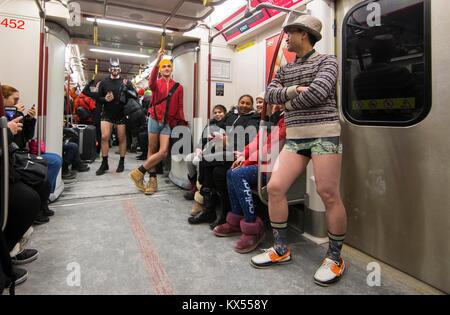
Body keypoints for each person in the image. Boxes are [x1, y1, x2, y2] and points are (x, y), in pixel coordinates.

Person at [250, 15, 347, 286]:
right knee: (275, 188)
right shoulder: (285, 69)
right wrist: (293, 90)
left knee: (328, 193)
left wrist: (288, 103)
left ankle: (335, 257)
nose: (286, 39)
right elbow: (270, 94)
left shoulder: (328, 61)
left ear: (303, 34)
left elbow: (319, 92)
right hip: (295, 138)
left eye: (289, 33)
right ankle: (281, 249)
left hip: (324, 133)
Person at [214, 104, 286, 253]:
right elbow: (257, 142)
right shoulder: (270, 119)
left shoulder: (285, 120)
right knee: (231, 172)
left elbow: (271, 148)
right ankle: (236, 219)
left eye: (279, 101)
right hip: (262, 162)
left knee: (238, 174)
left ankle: (252, 226)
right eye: (274, 102)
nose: (275, 105)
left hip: (275, 166)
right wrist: (243, 154)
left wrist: (247, 161)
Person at [189, 95, 259, 228]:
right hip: (223, 150)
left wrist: (226, 140)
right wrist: (211, 132)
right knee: (211, 166)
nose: (244, 105)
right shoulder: (231, 115)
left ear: (252, 105)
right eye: (242, 102)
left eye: (248, 103)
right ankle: (210, 210)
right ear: (238, 103)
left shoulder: (253, 119)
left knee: (215, 169)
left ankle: (221, 212)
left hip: (236, 152)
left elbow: (247, 140)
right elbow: (217, 124)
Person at [129, 49, 185, 195]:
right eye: (164, 66)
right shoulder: (156, 84)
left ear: (172, 69)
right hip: (154, 119)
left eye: (169, 66)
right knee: (152, 150)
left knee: (163, 152)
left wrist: (181, 122)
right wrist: (158, 60)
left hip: (168, 123)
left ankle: (138, 172)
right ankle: (152, 181)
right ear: (161, 69)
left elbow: (179, 107)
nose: (166, 68)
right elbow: (152, 80)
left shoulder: (178, 87)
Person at [184, 104, 227, 201]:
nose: (217, 114)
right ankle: (194, 186)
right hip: (204, 150)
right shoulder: (210, 124)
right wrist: (198, 149)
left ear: (225, 113)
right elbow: (202, 140)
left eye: (220, 112)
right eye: (215, 113)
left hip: (216, 153)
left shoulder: (228, 125)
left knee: (200, 162)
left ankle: (201, 188)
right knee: (189, 159)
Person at [96, 58, 128, 175]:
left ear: (119, 69)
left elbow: (132, 96)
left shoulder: (125, 82)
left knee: (121, 138)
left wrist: (127, 92)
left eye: (117, 68)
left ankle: (122, 162)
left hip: (120, 113)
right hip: (107, 113)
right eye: (113, 68)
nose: (115, 70)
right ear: (110, 69)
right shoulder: (104, 82)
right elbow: (98, 98)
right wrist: (105, 98)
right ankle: (104, 163)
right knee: (104, 137)